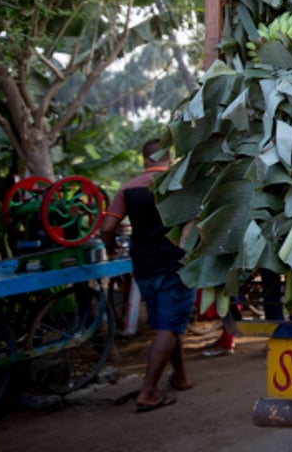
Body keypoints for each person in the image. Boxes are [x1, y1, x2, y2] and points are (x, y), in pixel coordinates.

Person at [99, 139, 195, 412]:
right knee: (169, 326)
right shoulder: (180, 187)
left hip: (144, 266)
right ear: (169, 158)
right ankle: (148, 392)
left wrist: (110, 246)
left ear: (144, 160)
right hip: (176, 265)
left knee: (167, 323)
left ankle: (181, 376)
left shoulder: (128, 189)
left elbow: (108, 227)